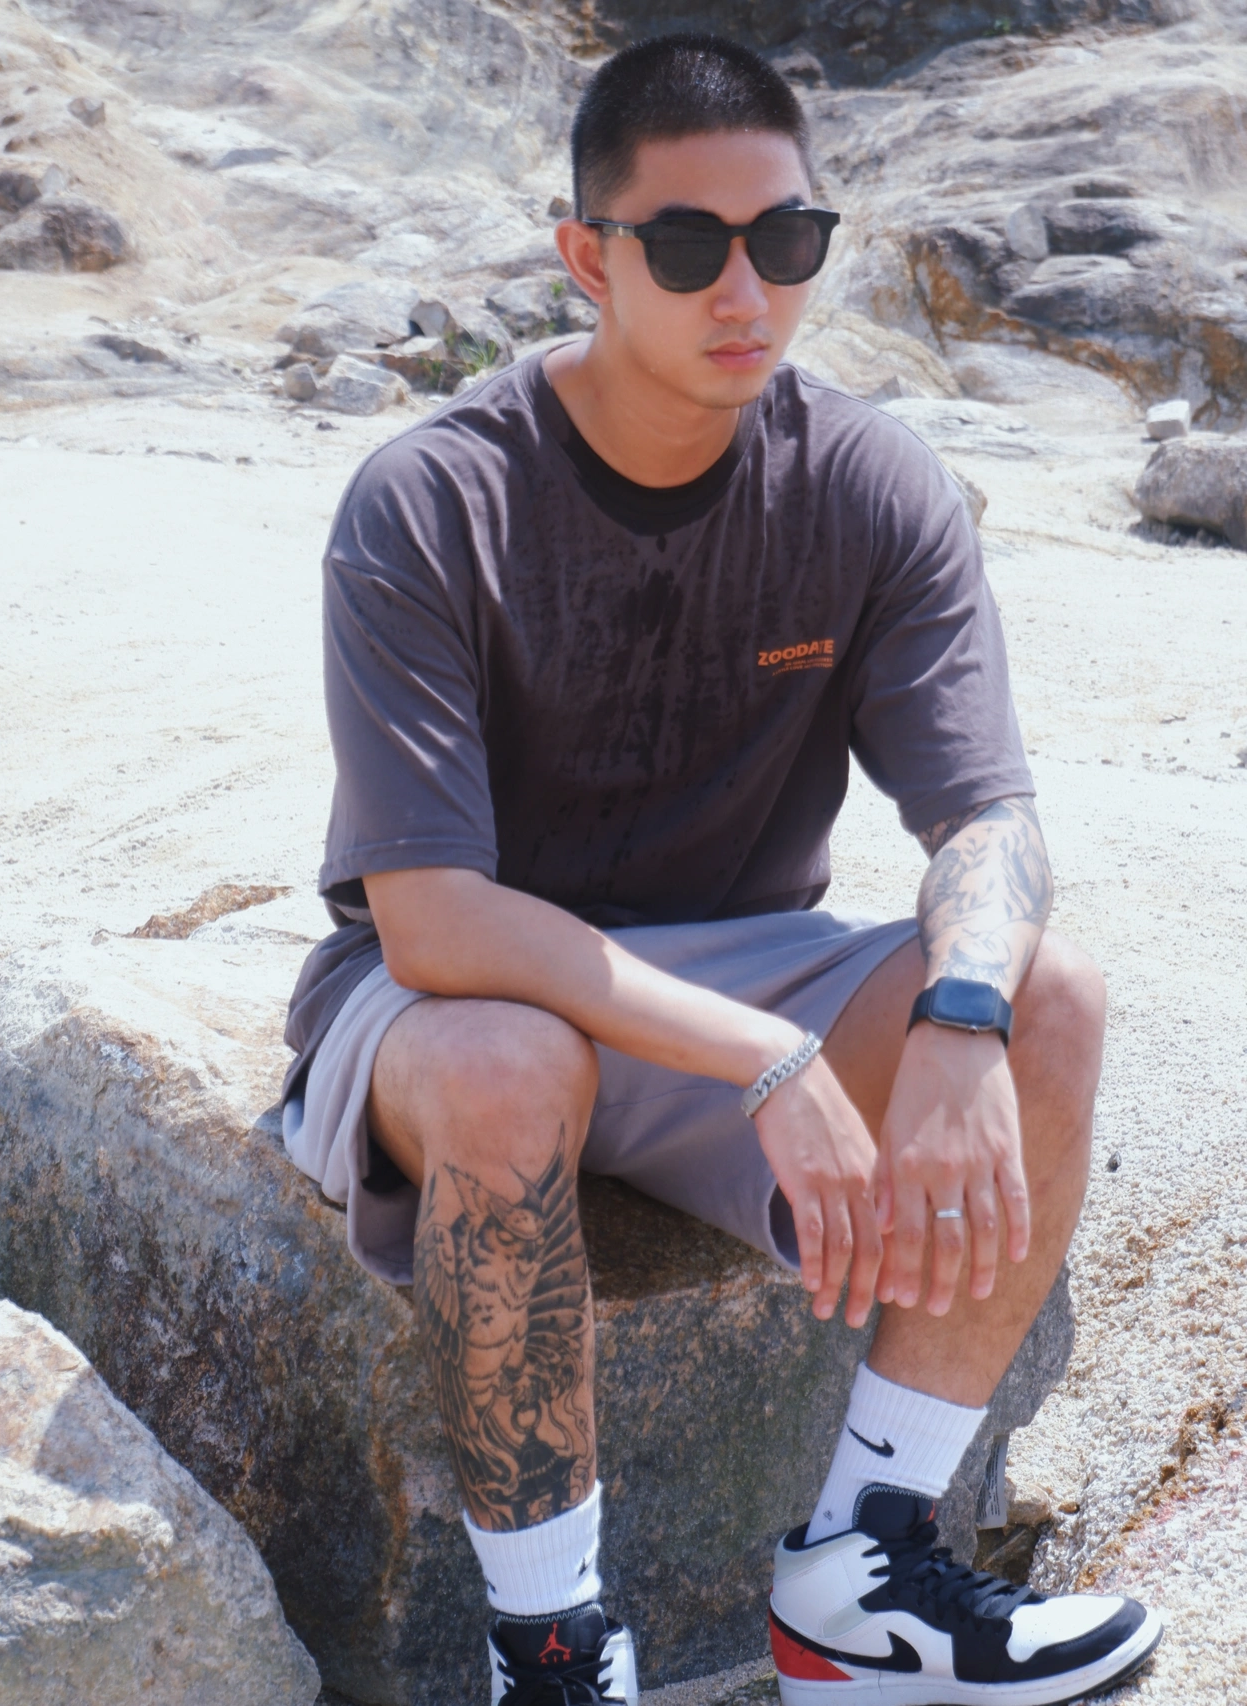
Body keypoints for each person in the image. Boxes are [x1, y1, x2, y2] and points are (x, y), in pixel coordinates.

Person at [280, 32, 1161, 1706]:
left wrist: (963, 1021)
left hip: (731, 963)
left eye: (787, 238)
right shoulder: (429, 500)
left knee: (1050, 991)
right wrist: (769, 1057)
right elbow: (433, 916)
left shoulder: (870, 484)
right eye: (687, 244)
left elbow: (989, 821)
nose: (746, 289)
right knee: (509, 1058)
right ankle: (551, 1652)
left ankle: (864, 1574)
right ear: (588, 257)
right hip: (455, 999)